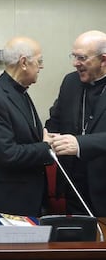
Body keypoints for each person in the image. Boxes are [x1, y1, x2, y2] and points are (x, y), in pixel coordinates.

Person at [0, 36, 53, 217]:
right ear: (23, 62)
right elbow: (8, 154)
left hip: (25, 198)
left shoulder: (19, 91)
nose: (41, 67)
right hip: (4, 201)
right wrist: (46, 147)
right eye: (39, 61)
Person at [45, 30, 106, 216]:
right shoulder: (70, 82)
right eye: (74, 56)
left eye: (82, 57)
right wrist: (47, 133)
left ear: (103, 59)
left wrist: (80, 144)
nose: (75, 63)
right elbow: (56, 118)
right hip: (74, 185)